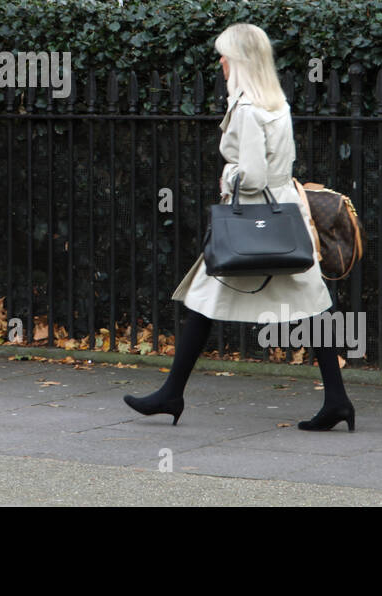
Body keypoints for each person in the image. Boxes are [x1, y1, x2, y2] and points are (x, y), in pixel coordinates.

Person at [123, 23, 355, 431]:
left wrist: (227, 177)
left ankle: (172, 394)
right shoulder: (276, 102)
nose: (221, 63)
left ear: (241, 61)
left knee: (206, 300)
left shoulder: (247, 110)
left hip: (252, 221)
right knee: (312, 306)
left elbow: (251, 176)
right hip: (284, 218)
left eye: (225, 55)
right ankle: (336, 400)